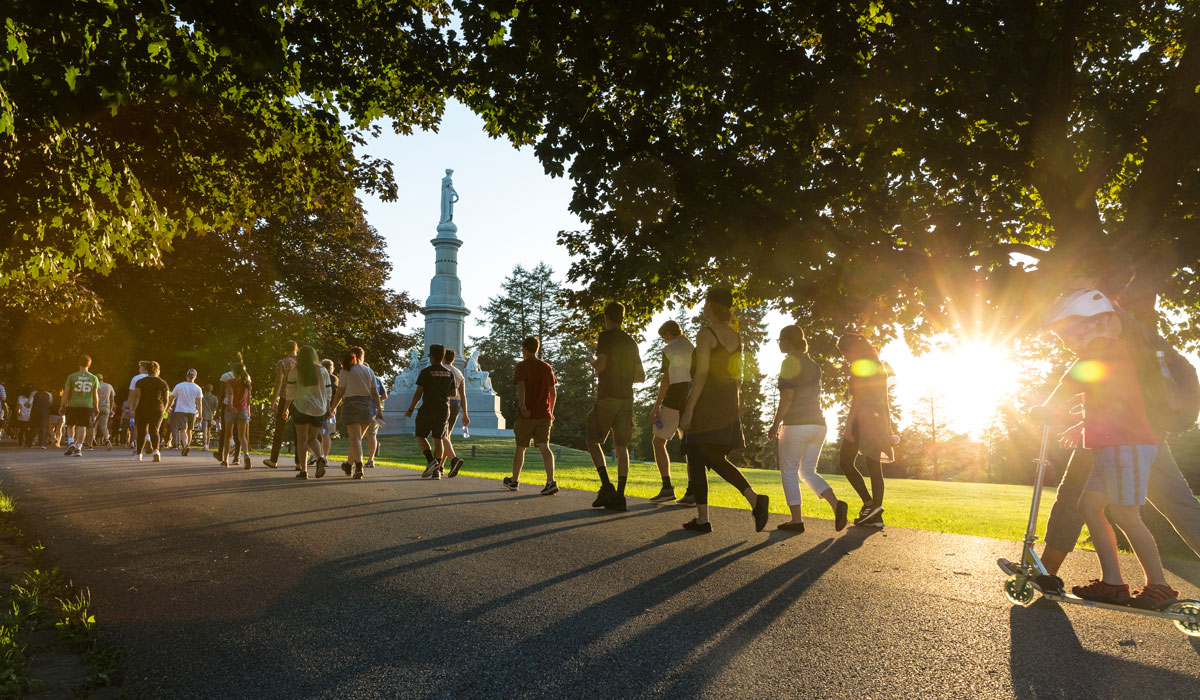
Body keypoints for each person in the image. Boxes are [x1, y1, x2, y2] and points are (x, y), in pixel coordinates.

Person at [1029, 268, 1200, 592]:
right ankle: (1111, 582)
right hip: (1124, 436)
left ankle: (1155, 586)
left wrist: (1047, 407)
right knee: (1090, 505)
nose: (1068, 342)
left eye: (1070, 333)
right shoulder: (1123, 332)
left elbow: (1075, 380)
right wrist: (1082, 421)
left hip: (1125, 442)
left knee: (1123, 513)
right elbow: (1111, 394)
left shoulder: (1106, 341)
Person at [679, 288, 770, 533]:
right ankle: (703, 519)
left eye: (705, 303)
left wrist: (689, 409)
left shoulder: (705, 334)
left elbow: (702, 374)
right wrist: (735, 408)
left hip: (707, 399)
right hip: (728, 399)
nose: (704, 307)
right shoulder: (735, 336)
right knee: (699, 456)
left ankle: (753, 499)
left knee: (706, 455)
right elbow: (737, 376)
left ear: (711, 306)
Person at [769, 325, 848, 533]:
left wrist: (775, 423)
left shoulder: (789, 362)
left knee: (788, 470)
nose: (779, 345)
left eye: (779, 340)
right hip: (819, 424)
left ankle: (796, 520)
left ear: (787, 341)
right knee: (807, 471)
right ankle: (836, 505)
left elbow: (787, 397)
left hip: (797, 424)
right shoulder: (813, 365)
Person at [585, 301, 645, 512]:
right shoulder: (631, 342)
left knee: (593, 440)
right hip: (627, 397)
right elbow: (640, 376)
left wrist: (591, 359)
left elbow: (601, 365)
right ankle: (620, 495)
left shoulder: (606, 337)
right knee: (621, 447)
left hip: (608, 395)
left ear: (606, 317)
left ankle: (606, 485)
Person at [837, 332, 896, 527]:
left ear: (852, 349)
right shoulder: (879, 367)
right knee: (874, 467)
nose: (845, 357)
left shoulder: (859, 366)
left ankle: (870, 504)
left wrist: (848, 425)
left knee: (845, 461)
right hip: (877, 421)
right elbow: (885, 402)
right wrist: (888, 428)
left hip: (861, 420)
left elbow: (859, 399)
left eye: (845, 352)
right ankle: (875, 513)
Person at [504, 336, 558, 495]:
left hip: (527, 415)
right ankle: (550, 481)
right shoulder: (546, 367)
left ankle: (514, 481)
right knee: (544, 447)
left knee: (520, 448)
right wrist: (551, 412)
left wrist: (522, 406)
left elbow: (521, 386)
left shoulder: (522, 366)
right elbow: (553, 392)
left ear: (525, 350)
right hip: (544, 414)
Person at [648, 319, 693, 505]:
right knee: (690, 446)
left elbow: (666, 379)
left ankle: (667, 487)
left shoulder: (669, 349)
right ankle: (692, 491)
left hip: (675, 396)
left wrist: (656, 406)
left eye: (664, 338)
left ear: (667, 334)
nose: (665, 342)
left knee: (658, 441)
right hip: (692, 396)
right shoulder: (692, 346)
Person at [328, 347, 382, 480]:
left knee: (355, 439)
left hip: (351, 404)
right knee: (357, 439)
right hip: (367, 406)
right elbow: (375, 393)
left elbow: (340, 392)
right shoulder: (369, 371)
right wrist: (379, 410)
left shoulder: (346, 370)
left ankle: (359, 467)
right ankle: (348, 464)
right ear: (361, 356)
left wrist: (331, 408)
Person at [405, 344, 455, 480]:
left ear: (431, 357)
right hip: (443, 409)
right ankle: (437, 471)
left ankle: (430, 461)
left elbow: (418, 393)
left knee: (420, 435)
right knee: (438, 439)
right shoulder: (449, 373)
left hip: (428, 408)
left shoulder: (426, 372)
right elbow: (453, 392)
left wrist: (410, 409)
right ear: (443, 356)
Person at [288, 346, 331, 480]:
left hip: (301, 407)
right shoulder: (323, 370)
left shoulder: (296, 370)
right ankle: (319, 459)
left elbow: (290, 392)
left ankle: (304, 471)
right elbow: (329, 391)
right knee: (313, 439)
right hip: (319, 409)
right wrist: (328, 408)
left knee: (302, 440)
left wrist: (285, 409)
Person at [265, 340, 298, 468]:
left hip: (285, 397)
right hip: (300, 399)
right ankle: (300, 463)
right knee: (299, 431)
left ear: (285, 350)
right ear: (297, 349)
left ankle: (273, 460)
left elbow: (279, 382)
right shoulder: (302, 363)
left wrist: (274, 401)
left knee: (279, 430)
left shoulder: (282, 363)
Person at [130, 361, 170, 462]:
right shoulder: (163, 383)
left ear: (147, 370)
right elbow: (166, 399)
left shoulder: (140, 382)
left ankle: (139, 454)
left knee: (142, 431)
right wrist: (164, 409)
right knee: (154, 429)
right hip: (157, 408)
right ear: (157, 370)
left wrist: (133, 409)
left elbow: (137, 397)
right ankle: (156, 451)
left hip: (142, 408)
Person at [61, 355, 99, 457]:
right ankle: (78, 448)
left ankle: (70, 442)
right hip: (87, 405)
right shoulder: (93, 378)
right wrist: (96, 407)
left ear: (79, 364)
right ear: (89, 364)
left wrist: (62, 405)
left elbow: (66, 392)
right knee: (82, 426)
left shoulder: (72, 376)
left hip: (73, 404)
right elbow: (95, 395)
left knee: (70, 425)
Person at [441, 348, 469, 477]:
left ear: (443, 357)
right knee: (447, 435)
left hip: (445, 402)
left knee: (442, 435)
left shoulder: (442, 370)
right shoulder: (459, 373)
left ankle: (453, 459)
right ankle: (441, 466)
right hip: (456, 403)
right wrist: (465, 414)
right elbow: (463, 395)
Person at [170, 369, 204, 456]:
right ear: (195, 377)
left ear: (186, 376)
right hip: (192, 411)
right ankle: (187, 446)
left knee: (183, 429)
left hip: (181, 410)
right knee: (190, 430)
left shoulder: (179, 386)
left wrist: (167, 407)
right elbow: (199, 403)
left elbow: (172, 398)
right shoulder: (198, 388)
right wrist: (200, 415)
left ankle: (185, 446)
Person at [128, 361, 150, 455]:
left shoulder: (136, 378)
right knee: (149, 425)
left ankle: (138, 447)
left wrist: (129, 406)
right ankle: (148, 438)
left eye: (140, 368)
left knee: (138, 426)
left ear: (142, 369)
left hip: (138, 405)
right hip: (151, 404)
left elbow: (132, 394)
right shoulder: (153, 377)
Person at [320, 359, 338, 462]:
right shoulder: (334, 379)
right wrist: (333, 408)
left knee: (318, 433)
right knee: (325, 433)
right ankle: (324, 456)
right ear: (330, 368)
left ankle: (316, 455)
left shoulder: (319, 377)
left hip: (319, 408)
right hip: (329, 410)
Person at [95, 374, 115, 450]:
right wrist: (111, 409)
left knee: (93, 426)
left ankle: (91, 441)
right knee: (104, 426)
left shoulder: (95, 386)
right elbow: (112, 398)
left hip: (96, 408)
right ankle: (107, 439)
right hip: (106, 408)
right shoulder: (109, 386)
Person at [201, 384, 218, 450]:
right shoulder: (214, 397)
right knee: (209, 431)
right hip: (211, 416)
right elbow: (216, 407)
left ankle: (205, 445)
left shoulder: (202, 397)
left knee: (204, 431)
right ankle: (207, 445)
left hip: (204, 415)